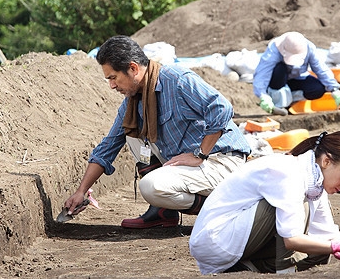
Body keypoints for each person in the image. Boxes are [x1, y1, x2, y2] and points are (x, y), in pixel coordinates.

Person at [63, 35, 251, 229]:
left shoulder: (177, 80)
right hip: (192, 164)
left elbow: (221, 108)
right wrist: (81, 191)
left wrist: (200, 153)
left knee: (151, 186)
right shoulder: (134, 102)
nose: (111, 85)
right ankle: (163, 212)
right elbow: (109, 145)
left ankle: (222, 209)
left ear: (133, 68)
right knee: (131, 133)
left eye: (113, 77)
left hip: (221, 160)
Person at [189, 130, 340, 274]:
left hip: (238, 237)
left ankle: (246, 267)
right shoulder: (290, 172)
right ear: (326, 161)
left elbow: (328, 234)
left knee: (321, 251)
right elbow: (291, 240)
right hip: (215, 240)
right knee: (299, 208)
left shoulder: (314, 184)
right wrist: (335, 247)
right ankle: (285, 272)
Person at [253, 31, 340, 114]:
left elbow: (321, 69)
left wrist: (335, 90)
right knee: (279, 69)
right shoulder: (274, 50)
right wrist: (263, 95)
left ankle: (290, 101)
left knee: (317, 88)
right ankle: (277, 102)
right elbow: (262, 73)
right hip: (278, 80)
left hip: (298, 78)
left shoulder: (309, 48)